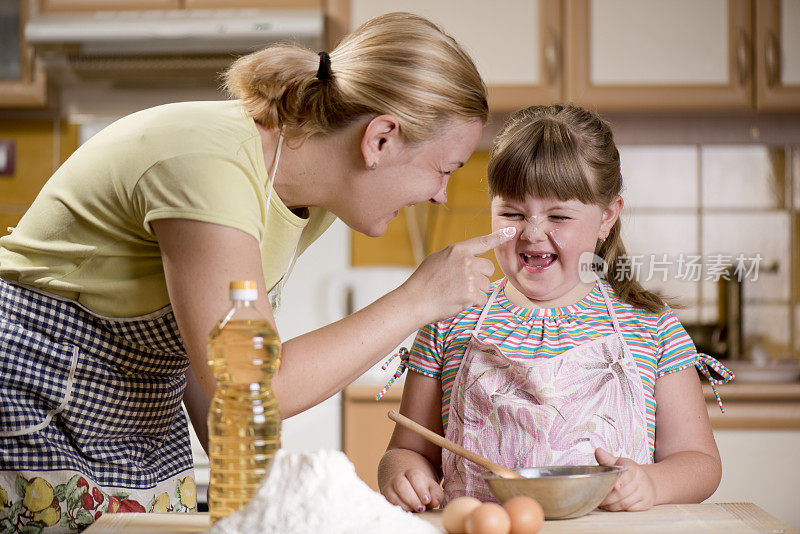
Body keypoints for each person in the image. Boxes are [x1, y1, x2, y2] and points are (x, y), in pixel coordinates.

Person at [0, 12, 515, 532]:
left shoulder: (305, 197)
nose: (441, 195)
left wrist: (259, 492)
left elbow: (210, 360)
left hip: (136, 425)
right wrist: (417, 299)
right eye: (444, 170)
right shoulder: (214, 166)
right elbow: (254, 385)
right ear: (380, 139)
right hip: (34, 400)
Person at [378, 104, 733, 513]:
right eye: (511, 212)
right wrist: (404, 474)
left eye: (559, 215)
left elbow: (700, 463)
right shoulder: (448, 321)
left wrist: (652, 483)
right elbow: (407, 450)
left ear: (607, 218)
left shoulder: (653, 329)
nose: (532, 233)